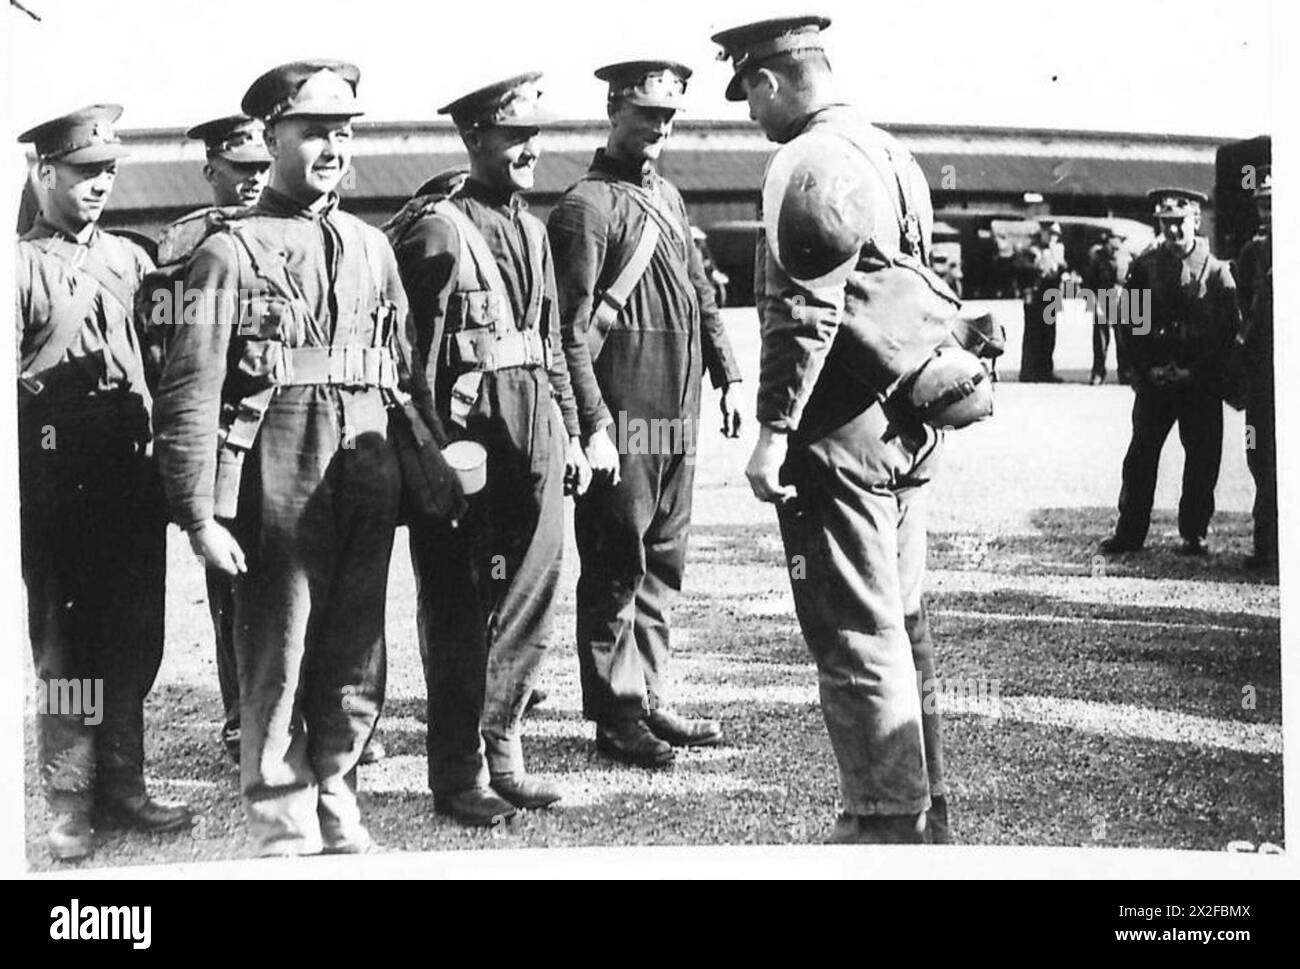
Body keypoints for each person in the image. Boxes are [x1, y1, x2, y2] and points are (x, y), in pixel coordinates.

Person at [153, 60, 407, 856]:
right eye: (313, 131)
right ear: (270, 138)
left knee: (358, 650)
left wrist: (440, 471)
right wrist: (197, 513)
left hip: (366, 465)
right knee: (279, 647)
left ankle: (338, 791)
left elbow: (411, 377)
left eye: (343, 131)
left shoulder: (372, 246)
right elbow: (189, 389)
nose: (332, 146)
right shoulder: (228, 253)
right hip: (278, 464)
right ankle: (279, 809)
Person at [712, 14, 953, 843]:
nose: (750, 114)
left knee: (855, 629)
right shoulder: (894, 155)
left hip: (838, 434)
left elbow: (803, 313)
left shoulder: (805, 159)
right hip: (904, 422)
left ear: (772, 79)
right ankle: (925, 811)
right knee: (904, 620)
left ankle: (884, 820)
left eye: (748, 94)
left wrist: (773, 431)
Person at [386, 73, 587, 825]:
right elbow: (415, 363)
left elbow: (554, 346)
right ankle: (456, 774)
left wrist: (569, 431)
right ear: (475, 140)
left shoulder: (533, 229)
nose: (531, 148)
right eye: (515, 136)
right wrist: (434, 457)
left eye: (537, 134)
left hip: (533, 430)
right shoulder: (442, 230)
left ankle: (506, 750)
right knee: (459, 606)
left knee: (534, 588)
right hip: (468, 439)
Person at [547, 59, 743, 768]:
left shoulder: (670, 197)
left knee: (664, 558)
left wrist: (728, 375)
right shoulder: (585, 206)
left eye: (668, 117)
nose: (659, 128)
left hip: (676, 411)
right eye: (646, 114)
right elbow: (565, 331)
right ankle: (615, 710)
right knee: (614, 561)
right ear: (613, 110)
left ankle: (650, 692)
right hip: (622, 413)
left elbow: (701, 295)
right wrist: (590, 423)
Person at [17, 104, 194, 861]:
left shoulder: (134, 260)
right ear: (43, 172)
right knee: (68, 651)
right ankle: (69, 799)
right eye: (84, 172)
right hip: (56, 488)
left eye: (108, 173)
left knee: (134, 638)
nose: (99, 185)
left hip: (130, 477)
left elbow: (179, 347)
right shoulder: (17, 266)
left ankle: (123, 786)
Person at [152, 114, 271, 765]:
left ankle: (298, 714)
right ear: (210, 172)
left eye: (261, 167)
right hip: (229, 440)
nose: (253, 180)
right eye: (239, 169)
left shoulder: (290, 232)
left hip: (290, 429)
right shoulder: (187, 245)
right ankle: (238, 716)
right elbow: (179, 358)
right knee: (235, 589)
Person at [1099, 188, 1239, 556]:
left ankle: (1194, 531)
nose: (1173, 232)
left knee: (1203, 458)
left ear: (1195, 220)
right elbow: (1131, 326)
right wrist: (1147, 370)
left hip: (1199, 385)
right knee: (1141, 457)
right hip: (1157, 382)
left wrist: (1196, 373)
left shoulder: (1218, 272)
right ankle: (1130, 532)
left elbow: (1225, 336)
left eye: (1179, 223)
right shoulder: (1145, 268)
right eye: (1165, 224)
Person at [1234, 165, 1275, 570]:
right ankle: (1266, 544)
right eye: (1263, 205)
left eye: (1275, 204)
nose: (1269, 213)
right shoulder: (1252, 252)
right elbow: (1243, 306)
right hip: (1263, 375)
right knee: (1257, 451)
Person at [1016, 222, 1068, 382]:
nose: (1053, 238)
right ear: (1043, 233)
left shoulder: (1058, 250)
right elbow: (1021, 269)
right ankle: (1029, 371)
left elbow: (1063, 268)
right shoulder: (1031, 250)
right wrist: (1038, 268)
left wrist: (1060, 267)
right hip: (1036, 295)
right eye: (1050, 234)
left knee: (1049, 334)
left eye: (1056, 235)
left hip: (1052, 294)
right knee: (1033, 334)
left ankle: (1046, 370)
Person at [1084, 226, 1133, 385]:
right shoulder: (1098, 257)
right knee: (1100, 340)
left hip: (1121, 300)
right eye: (1115, 239)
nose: (1117, 243)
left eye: (1120, 240)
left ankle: (1125, 372)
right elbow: (1089, 280)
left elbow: (1132, 280)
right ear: (1109, 239)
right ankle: (1098, 373)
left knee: (1122, 340)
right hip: (1102, 298)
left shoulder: (1127, 257)